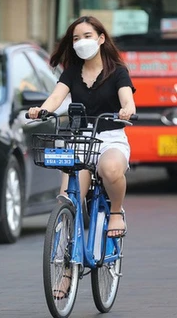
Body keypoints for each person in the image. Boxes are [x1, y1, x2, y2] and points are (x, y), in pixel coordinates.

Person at [28, 16, 136, 239]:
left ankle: (116, 212)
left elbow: (128, 100)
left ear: (101, 39)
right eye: (76, 38)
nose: (81, 42)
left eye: (87, 36)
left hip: (111, 138)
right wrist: (41, 110)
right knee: (68, 198)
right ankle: (67, 265)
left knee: (110, 170)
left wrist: (126, 109)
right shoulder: (71, 72)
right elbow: (56, 97)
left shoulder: (117, 72)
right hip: (80, 140)